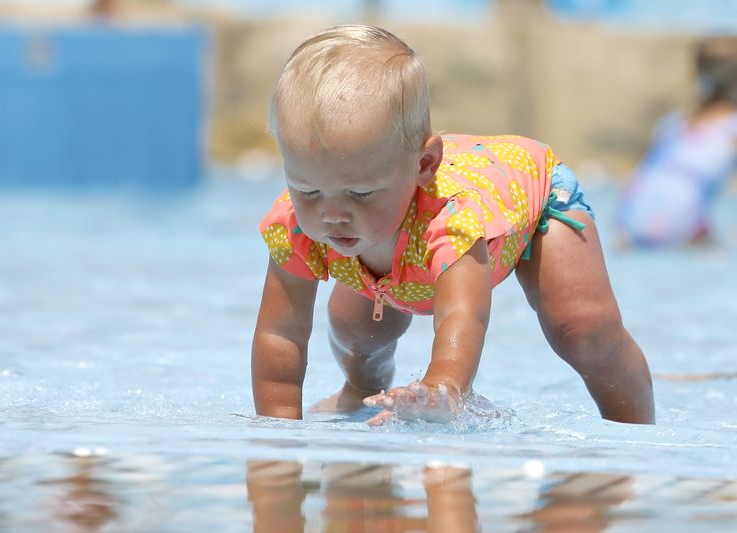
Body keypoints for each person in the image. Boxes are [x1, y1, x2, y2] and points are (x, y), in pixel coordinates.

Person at [251, 24, 655, 426]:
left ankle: (635, 431)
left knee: (583, 329)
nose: (332, 214)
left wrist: (440, 389)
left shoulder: (449, 218)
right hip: (399, 233)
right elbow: (279, 335)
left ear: (424, 166)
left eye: (359, 194)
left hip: (535, 198)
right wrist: (277, 437)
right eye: (306, 189)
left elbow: (462, 316)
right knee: (355, 328)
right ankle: (359, 392)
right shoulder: (299, 223)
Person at [616, 37, 737, 248]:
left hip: (628, 229)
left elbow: (635, 183)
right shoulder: (731, 129)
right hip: (680, 233)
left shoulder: (672, 124)